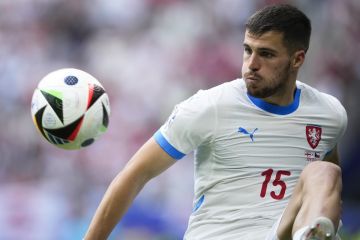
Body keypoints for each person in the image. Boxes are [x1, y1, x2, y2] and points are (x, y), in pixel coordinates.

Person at [84, 4, 347, 240]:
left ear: (297, 59)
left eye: (266, 54)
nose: (251, 65)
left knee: (325, 172)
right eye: (247, 50)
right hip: (219, 234)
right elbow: (134, 174)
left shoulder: (329, 114)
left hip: (278, 232)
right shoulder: (210, 106)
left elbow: (326, 189)